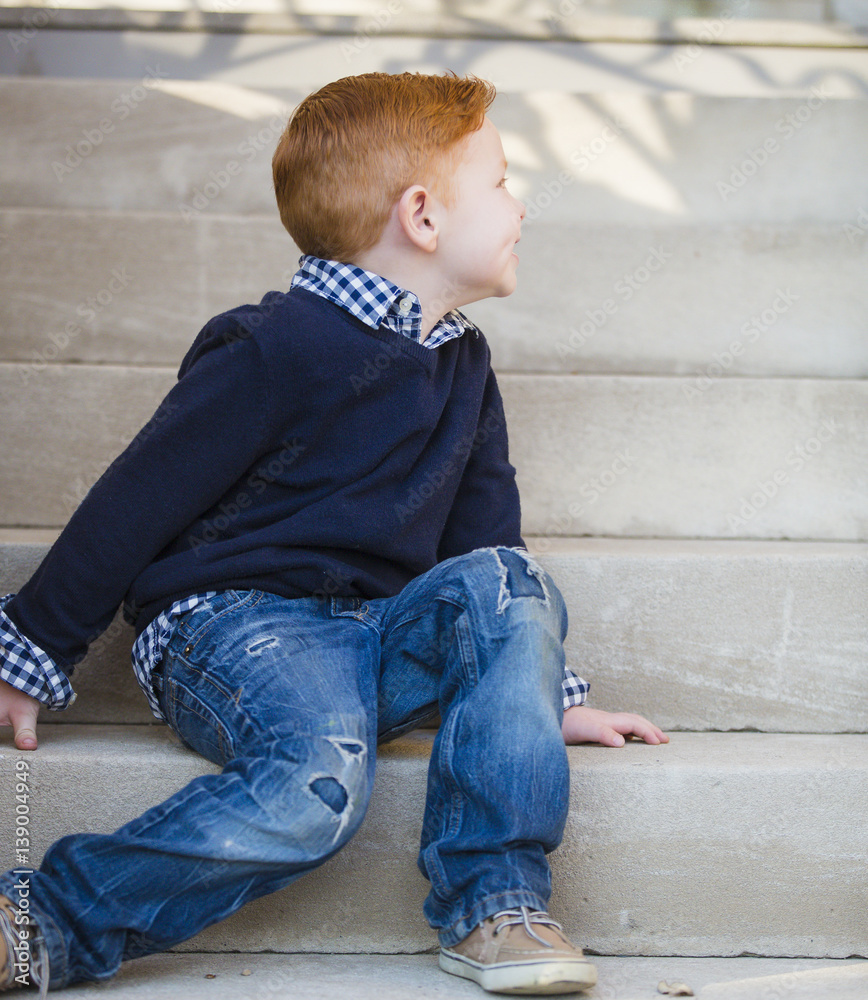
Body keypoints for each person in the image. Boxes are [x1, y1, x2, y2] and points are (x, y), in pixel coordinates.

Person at [0, 71, 667, 997]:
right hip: (233, 623)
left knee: (511, 582)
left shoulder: (462, 360)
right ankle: (41, 921)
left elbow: (485, 548)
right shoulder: (275, 346)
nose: (523, 205)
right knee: (319, 783)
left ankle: (494, 902)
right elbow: (134, 501)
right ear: (424, 217)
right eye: (505, 182)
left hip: (370, 635)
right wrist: (32, 645)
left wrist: (535, 698)